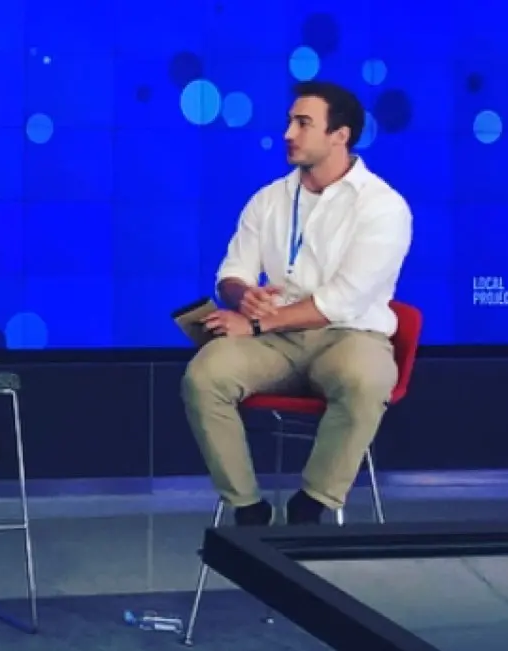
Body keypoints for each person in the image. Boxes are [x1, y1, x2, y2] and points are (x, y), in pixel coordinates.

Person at [184, 81, 410, 527]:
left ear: (339, 136)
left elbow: (345, 298)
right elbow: (231, 271)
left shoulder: (384, 207)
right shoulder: (268, 199)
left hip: (349, 335)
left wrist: (254, 325)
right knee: (204, 376)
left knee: (367, 379)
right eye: (289, 122)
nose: (288, 133)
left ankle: (313, 502)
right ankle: (248, 507)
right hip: (276, 339)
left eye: (303, 123)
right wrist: (242, 295)